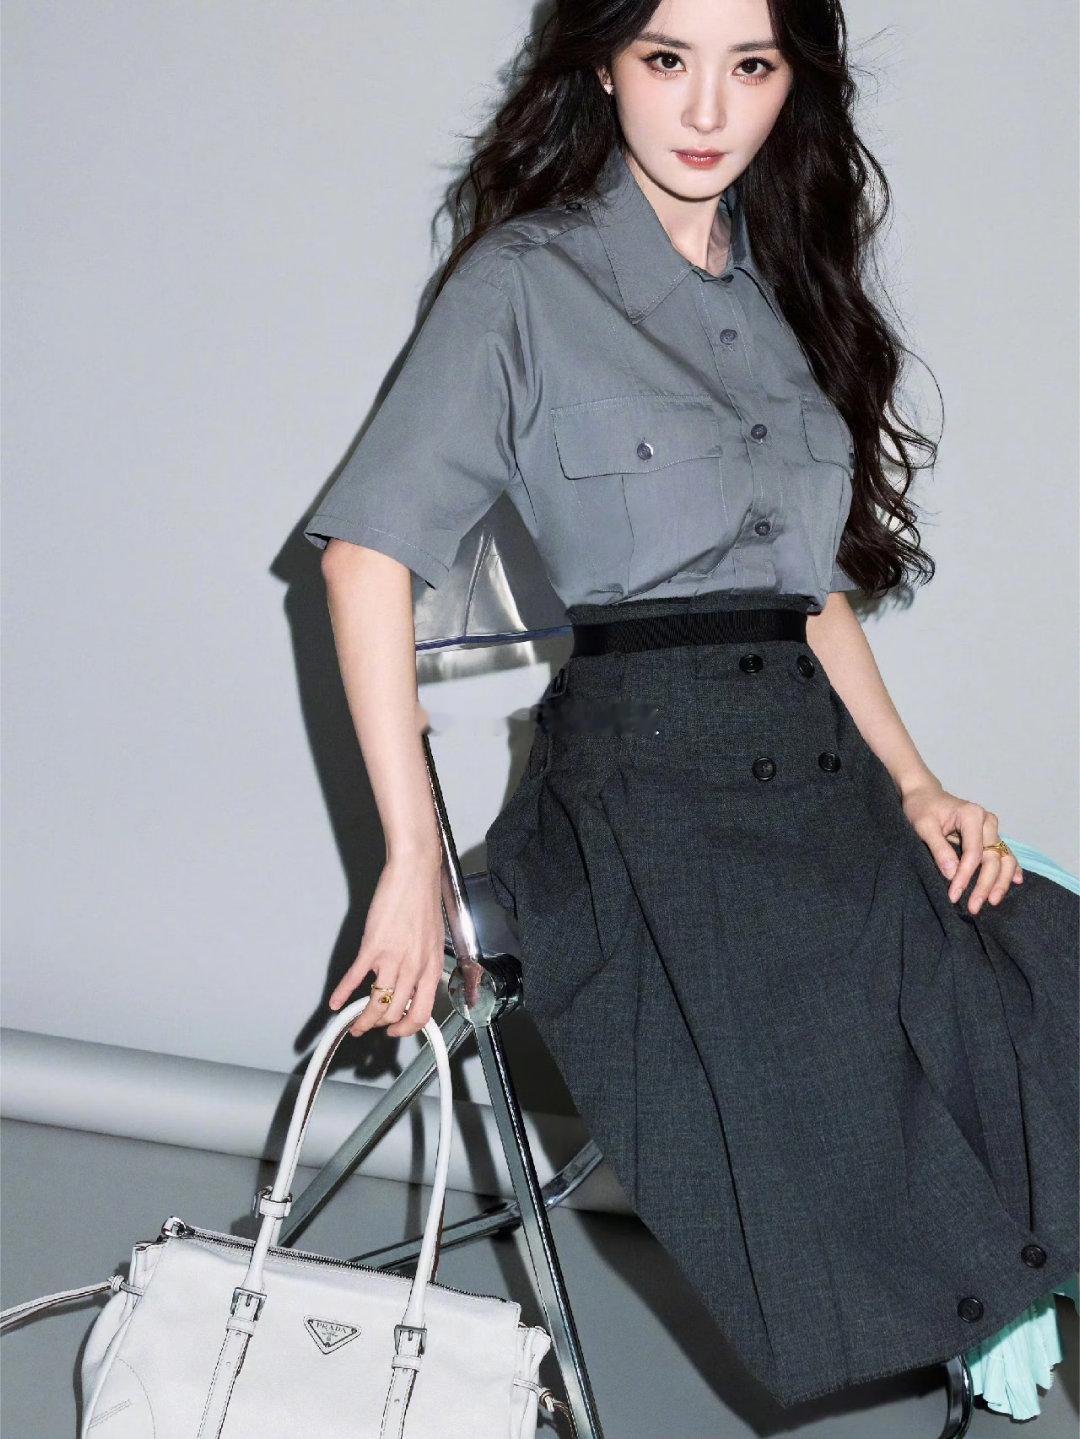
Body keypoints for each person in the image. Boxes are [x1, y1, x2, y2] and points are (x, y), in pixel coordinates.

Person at [303, 0, 1079, 1418]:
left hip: (824, 783)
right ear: (605, 66)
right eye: (668, 59)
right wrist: (408, 863)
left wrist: (918, 784)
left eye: (751, 66)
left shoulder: (782, 295)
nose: (708, 109)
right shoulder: (525, 282)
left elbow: (805, 593)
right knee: (875, 1083)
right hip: (652, 804)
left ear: (794, 84)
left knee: (1047, 989)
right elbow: (367, 558)